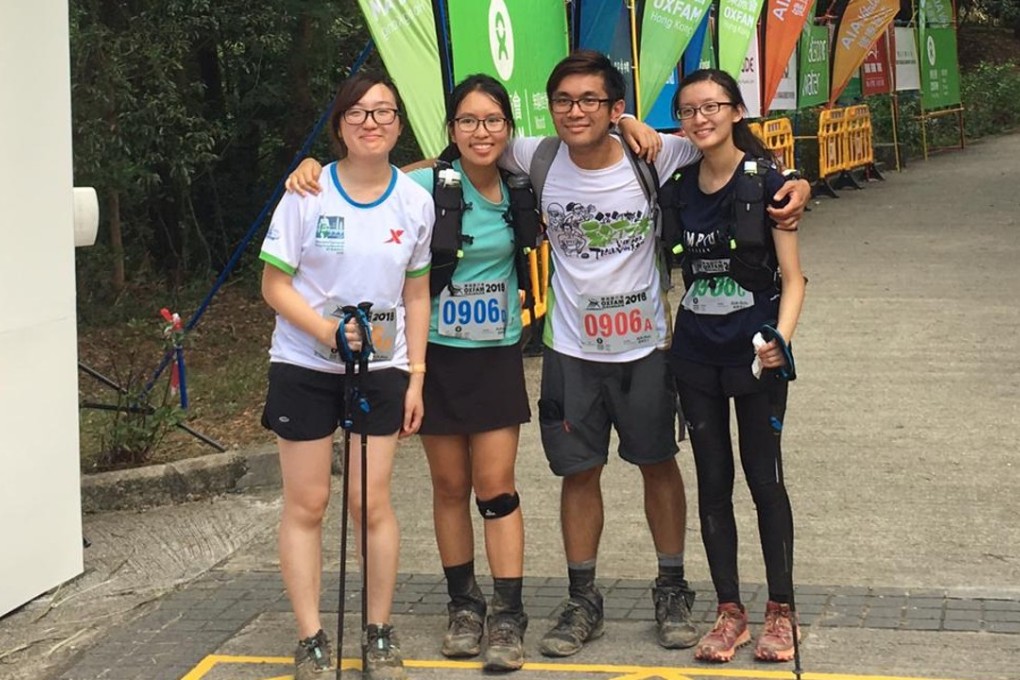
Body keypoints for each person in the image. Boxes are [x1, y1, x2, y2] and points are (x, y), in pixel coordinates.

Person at [495, 50, 811, 658]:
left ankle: (673, 591)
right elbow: (462, 152)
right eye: (564, 100)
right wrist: (330, 169)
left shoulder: (659, 152)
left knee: (658, 463)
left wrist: (798, 182)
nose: (575, 111)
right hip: (571, 348)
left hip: (647, 348)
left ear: (617, 109)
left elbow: (737, 150)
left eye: (592, 100)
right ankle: (582, 598)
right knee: (578, 473)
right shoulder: (535, 154)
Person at [259, 71, 432, 680]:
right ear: (339, 126)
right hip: (305, 365)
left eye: (384, 112)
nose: (371, 122)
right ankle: (310, 637)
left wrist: (416, 374)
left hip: (380, 368)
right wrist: (328, 332)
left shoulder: (416, 201)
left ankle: (378, 632)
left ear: (398, 124)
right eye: (357, 112)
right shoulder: (306, 193)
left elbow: (416, 293)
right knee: (308, 502)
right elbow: (273, 285)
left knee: (370, 501)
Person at [665, 69, 806, 664]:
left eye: (713, 107)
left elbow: (794, 280)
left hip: (754, 358)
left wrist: (779, 339)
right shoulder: (676, 185)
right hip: (696, 355)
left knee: (764, 479)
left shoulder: (770, 182)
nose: (701, 119)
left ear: (736, 110)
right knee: (713, 484)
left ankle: (781, 611)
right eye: (690, 110)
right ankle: (730, 613)